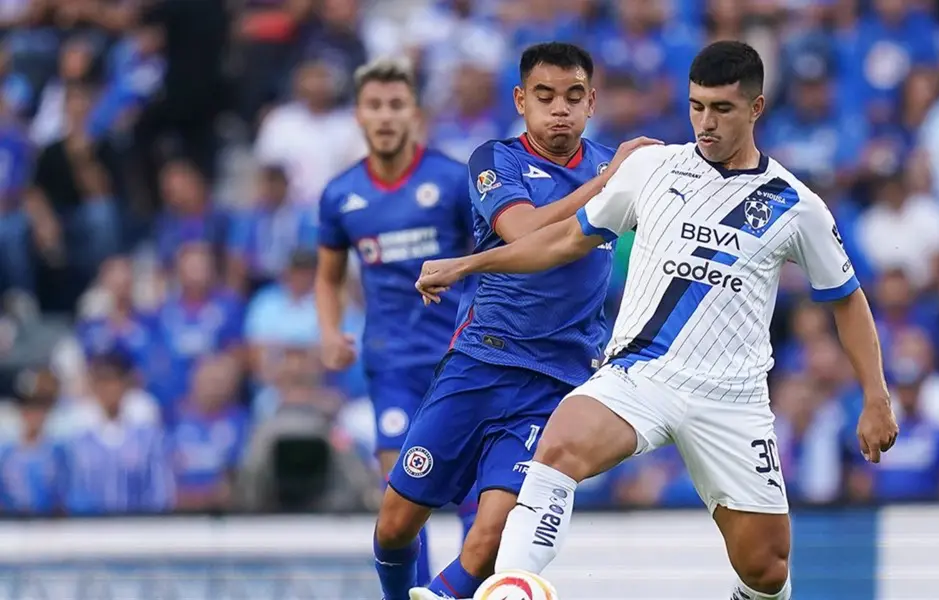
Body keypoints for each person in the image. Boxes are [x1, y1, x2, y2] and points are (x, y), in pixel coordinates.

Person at [415, 41, 899, 600]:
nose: (706, 122)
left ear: (756, 108)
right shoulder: (652, 168)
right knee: (558, 446)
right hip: (639, 376)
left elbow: (847, 299)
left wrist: (876, 396)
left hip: (731, 398)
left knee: (766, 567)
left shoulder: (797, 204)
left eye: (722, 109)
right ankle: (515, 588)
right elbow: (563, 241)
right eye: (696, 107)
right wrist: (470, 264)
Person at [376, 42, 657, 600]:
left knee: (488, 542)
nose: (560, 110)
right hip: (480, 362)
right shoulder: (496, 159)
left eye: (574, 97)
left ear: (592, 102)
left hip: (555, 384)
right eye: (546, 96)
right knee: (394, 526)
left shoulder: (617, 167)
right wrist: (608, 183)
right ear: (521, 100)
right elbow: (526, 233)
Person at [313, 57, 475, 589]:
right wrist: (329, 330)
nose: (385, 117)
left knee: (474, 495)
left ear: (415, 114)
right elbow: (328, 275)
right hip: (393, 364)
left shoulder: (453, 181)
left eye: (395, 105)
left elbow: (491, 257)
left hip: (462, 359)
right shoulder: (341, 196)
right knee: (403, 495)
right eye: (374, 106)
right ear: (358, 116)